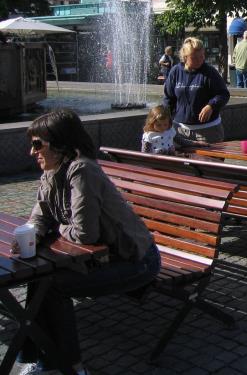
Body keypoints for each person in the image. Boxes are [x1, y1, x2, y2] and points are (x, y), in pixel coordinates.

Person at [16, 109, 160, 375]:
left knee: (54, 286)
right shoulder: (51, 171)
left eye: (37, 145)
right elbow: (38, 217)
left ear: (60, 144)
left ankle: (73, 367)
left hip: (135, 259)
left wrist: (55, 228)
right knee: (40, 281)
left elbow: (85, 234)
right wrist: (34, 234)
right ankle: (35, 359)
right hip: (101, 258)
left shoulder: (82, 170)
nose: (31, 152)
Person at [163, 37, 230, 144]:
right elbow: (168, 98)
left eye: (202, 56)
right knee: (180, 161)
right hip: (180, 130)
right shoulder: (175, 72)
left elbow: (223, 94)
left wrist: (211, 105)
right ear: (185, 58)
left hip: (207, 131)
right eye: (195, 57)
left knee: (207, 161)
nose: (201, 60)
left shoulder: (210, 72)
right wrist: (165, 121)